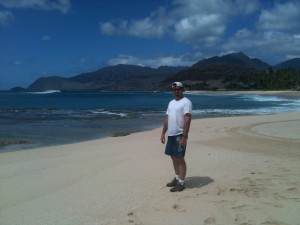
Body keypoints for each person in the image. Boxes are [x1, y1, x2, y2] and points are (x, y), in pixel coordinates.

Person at [160, 81, 192, 192]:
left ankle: (181, 183)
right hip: (171, 135)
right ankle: (177, 178)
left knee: (180, 158)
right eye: (174, 89)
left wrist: (184, 136)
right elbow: (167, 118)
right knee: (173, 157)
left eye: (178, 89)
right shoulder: (171, 103)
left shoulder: (186, 102)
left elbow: (187, 119)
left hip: (180, 135)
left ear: (182, 90)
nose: (176, 91)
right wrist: (163, 133)